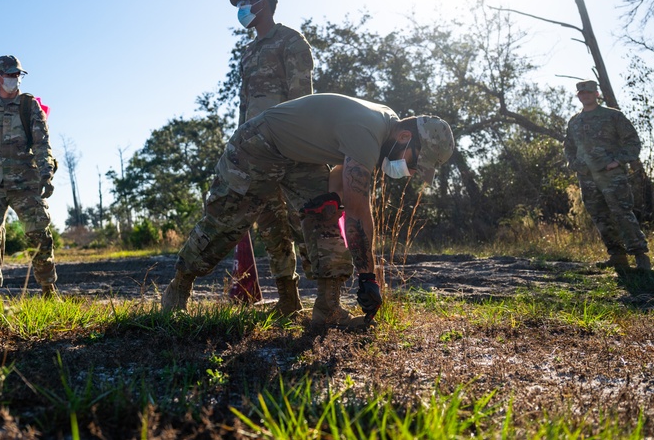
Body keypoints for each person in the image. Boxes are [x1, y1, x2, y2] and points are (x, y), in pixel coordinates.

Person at [161, 93, 454, 329]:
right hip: (258, 144)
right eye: (415, 162)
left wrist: (329, 202)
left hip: (297, 156)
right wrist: (368, 277)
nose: (413, 171)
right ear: (404, 137)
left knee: (325, 213)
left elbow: (341, 175)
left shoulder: (386, 125)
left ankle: (328, 309)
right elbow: (358, 211)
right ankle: (178, 289)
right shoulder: (369, 130)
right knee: (229, 224)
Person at [229, 0, 314, 317]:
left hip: (289, 144)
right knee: (270, 224)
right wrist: (239, 143)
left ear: (263, 5)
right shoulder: (248, 52)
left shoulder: (291, 41)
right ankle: (288, 300)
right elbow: (244, 104)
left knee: (305, 221)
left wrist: (298, 144)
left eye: (247, 2)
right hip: (256, 149)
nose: (242, 9)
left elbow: (302, 97)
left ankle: (326, 299)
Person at [0, 55, 59, 298]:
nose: (15, 79)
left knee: (39, 233)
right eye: (10, 75)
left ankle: (48, 289)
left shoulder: (30, 106)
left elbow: (42, 143)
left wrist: (46, 174)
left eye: (18, 75)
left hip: (27, 181)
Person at [564, 80, 651, 271]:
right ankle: (617, 255)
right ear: (578, 96)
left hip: (612, 175)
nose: (585, 95)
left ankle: (640, 256)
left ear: (596, 94)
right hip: (587, 177)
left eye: (588, 92)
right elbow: (569, 147)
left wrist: (618, 161)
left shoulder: (613, 116)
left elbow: (632, 142)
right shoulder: (575, 121)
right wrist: (576, 165)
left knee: (622, 212)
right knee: (600, 215)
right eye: (581, 93)